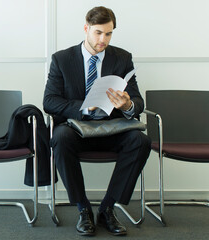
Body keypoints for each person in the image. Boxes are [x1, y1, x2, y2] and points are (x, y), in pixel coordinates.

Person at [43, 6, 151, 236]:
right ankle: (83, 209)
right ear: (86, 29)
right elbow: (50, 102)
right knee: (60, 136)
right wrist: (84, 106)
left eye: (109, 33)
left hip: (112, 129)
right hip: (77, 130)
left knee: (141, 141)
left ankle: (107, 208)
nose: (103, 39)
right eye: (98, 33)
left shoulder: (122, 58)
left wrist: (127, 105)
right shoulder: (62, 59)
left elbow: (138, 101)